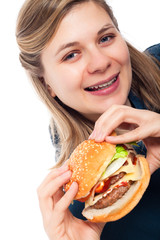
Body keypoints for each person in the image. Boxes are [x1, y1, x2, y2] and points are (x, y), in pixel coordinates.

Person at [16, 0, 160, 239]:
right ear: (46, 83)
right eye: (71, 55)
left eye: (105, 38)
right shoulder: (82, 207)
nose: (100, 63)